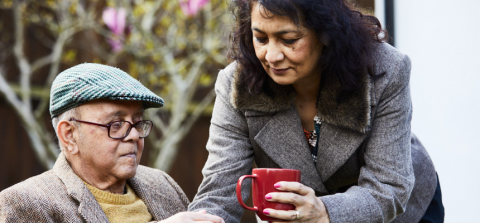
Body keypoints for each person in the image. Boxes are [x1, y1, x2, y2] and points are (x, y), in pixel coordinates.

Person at [189, 0, 444, 222]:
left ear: (326, 33)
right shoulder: (237, 83)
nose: (272, 55)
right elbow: (219, 191)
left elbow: (387, 187)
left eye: (289, 40)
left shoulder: (386, 70)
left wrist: (324, 211)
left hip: (396, 211)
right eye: (261, 39)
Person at [0, 63, 224, 223]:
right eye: (115, 124)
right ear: (69, 135)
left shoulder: (162, 184)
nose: (134, 135)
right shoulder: (23, 204)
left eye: (137, 122)